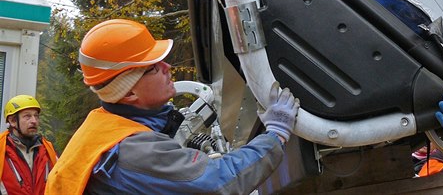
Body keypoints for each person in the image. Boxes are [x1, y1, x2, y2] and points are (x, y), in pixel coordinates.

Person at [46, 18, 300, 194]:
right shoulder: (130, 150)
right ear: (131, 92)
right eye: (154, 67)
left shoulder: (103, 126)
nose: (168, 68)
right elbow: (216, 183)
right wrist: (275, 135)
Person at [0, 95, 58, 194]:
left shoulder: (48, 151)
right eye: (27, 116)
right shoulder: (2, 150)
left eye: (36, 116)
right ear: (12, 121)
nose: (34, 121)